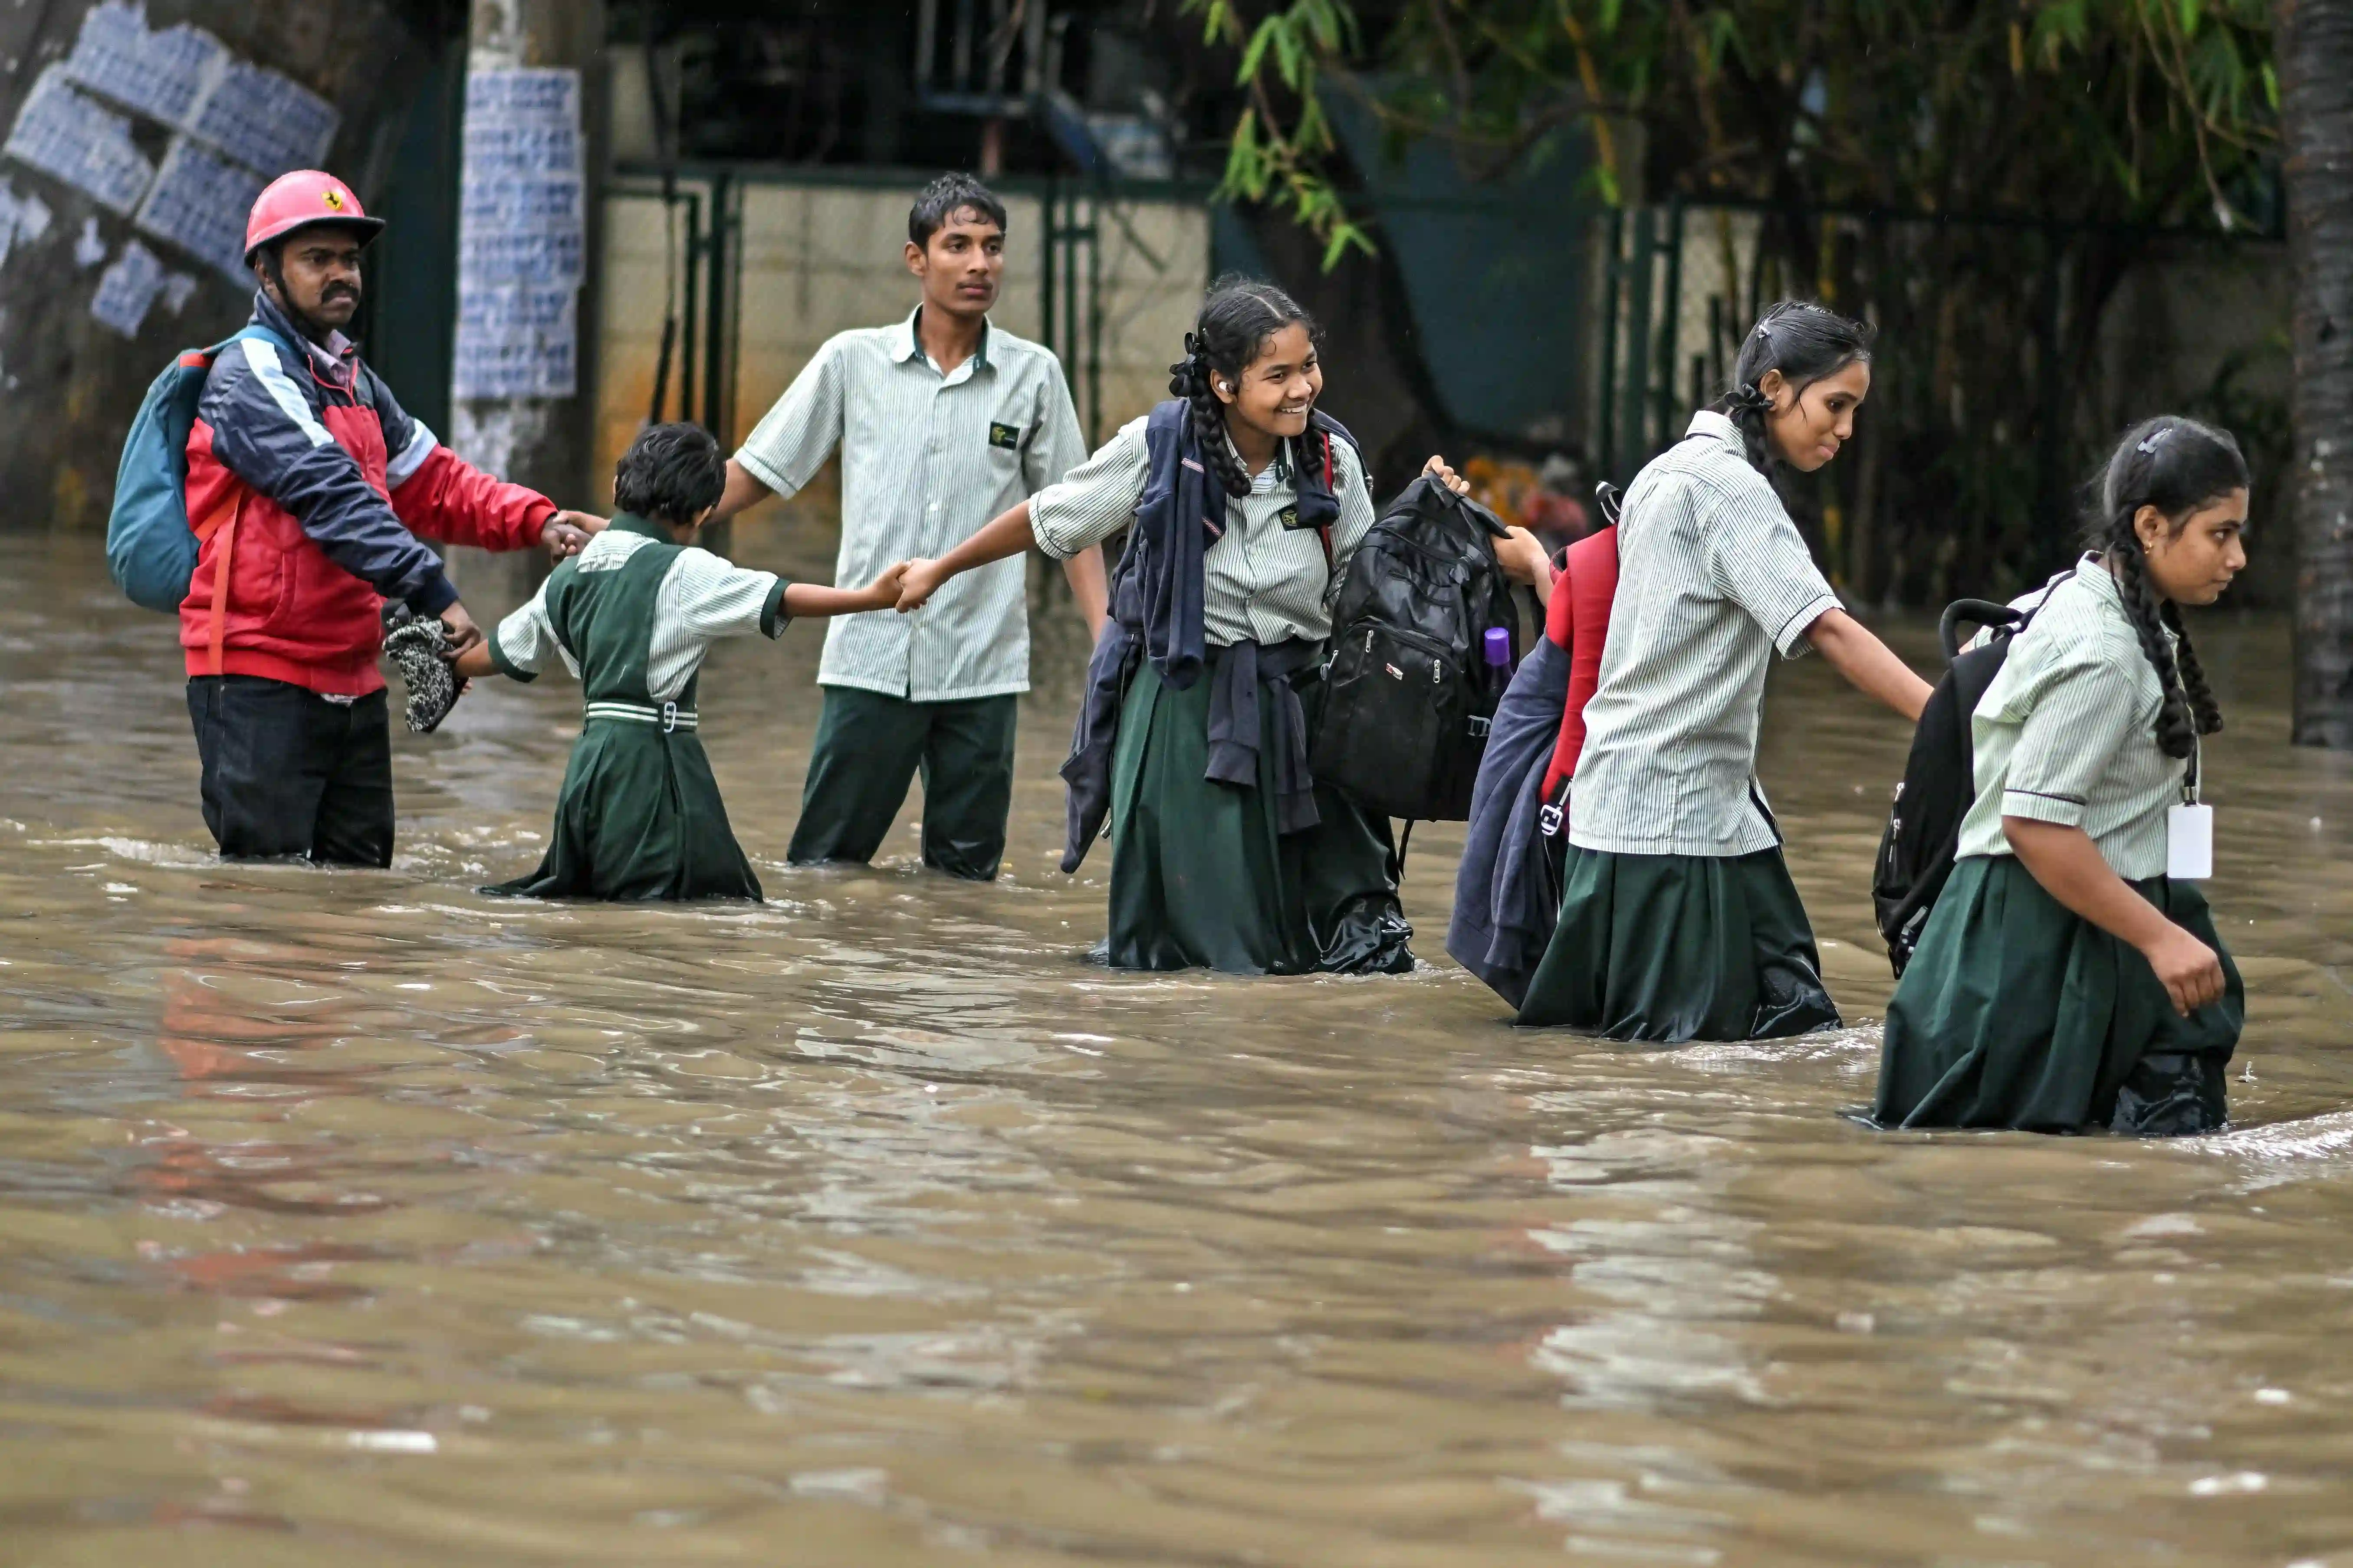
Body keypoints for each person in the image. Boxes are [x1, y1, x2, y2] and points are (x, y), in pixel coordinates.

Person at [895, 276, 1551, 974]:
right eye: (1278, 375)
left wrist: (1434, 520)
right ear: (1225, 383)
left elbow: (1366, 587)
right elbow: (1047, 518)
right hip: (1186, 712)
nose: (1302, 388)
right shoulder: (1158, 448)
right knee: (1207, 948)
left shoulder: (1331, 459)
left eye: (1308, 368)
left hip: (1303, 709)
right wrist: (940, 568)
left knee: (1345, 937)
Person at [1515, 300, 1933, 1041]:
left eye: (1854, 411)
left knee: (1786, 1032)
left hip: (1683, 813)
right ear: (1773, 386)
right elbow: (1828, 629)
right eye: (1835, 405)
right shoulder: (1731, 491)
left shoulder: (1666, 472)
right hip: (1670, 824)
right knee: (1678, 1065)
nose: (1845, 429)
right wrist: (1952, 717)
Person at [181, 170, 600, 867]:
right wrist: (433, 593)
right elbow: (330, 492)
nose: (342, 274)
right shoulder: (249, 374)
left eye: (349, 259)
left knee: (360, 896)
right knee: (262, 900)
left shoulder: (354, 378)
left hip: (353, 675)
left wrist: (540, 521)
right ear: (266, 270)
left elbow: (435, 481)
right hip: (256, 674)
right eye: (318, 260)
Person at [708, 173, 1099, 882]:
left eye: (993, 247)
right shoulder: (852, 359)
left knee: (966, 881)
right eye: (958, 245)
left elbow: (1072, 517)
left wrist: (1106, 643)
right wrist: (642, 525)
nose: (980, 264)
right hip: (869, 657)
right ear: (916, 259)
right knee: (823, 867)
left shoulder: (1033, 375)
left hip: (982, 667)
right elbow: (758, 471)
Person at [1873, 417, 2248, 1135]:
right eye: (2219, 533)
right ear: (2149, 526)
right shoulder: (2103, 652)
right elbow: (2034, 823)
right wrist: (2162, 938)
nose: (2236, 557)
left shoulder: (2080, 599)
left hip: (2094, 921)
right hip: (2044, 940)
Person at [454, 423, 905, 901]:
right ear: (703, 512)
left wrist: (454, 667)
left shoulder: (570, 572)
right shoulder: (689, 571)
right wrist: (870, 597)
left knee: (596, 899)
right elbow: (784, 596)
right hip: (655, 766)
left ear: (616, 487)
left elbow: (504, 650)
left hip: (587, 771)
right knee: (688, 909)